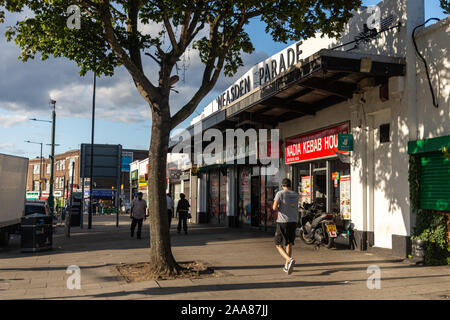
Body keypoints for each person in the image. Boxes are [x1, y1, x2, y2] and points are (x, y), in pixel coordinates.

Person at [272, 178, 299, 275]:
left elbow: (274, 207)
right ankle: (287, 266)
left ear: (282, 185)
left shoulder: (280, 193)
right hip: (293, 221)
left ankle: (289, 259)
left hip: (283, 221)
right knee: (289, 243)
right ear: (290, 185)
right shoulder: (296, 194)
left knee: (278, 244)